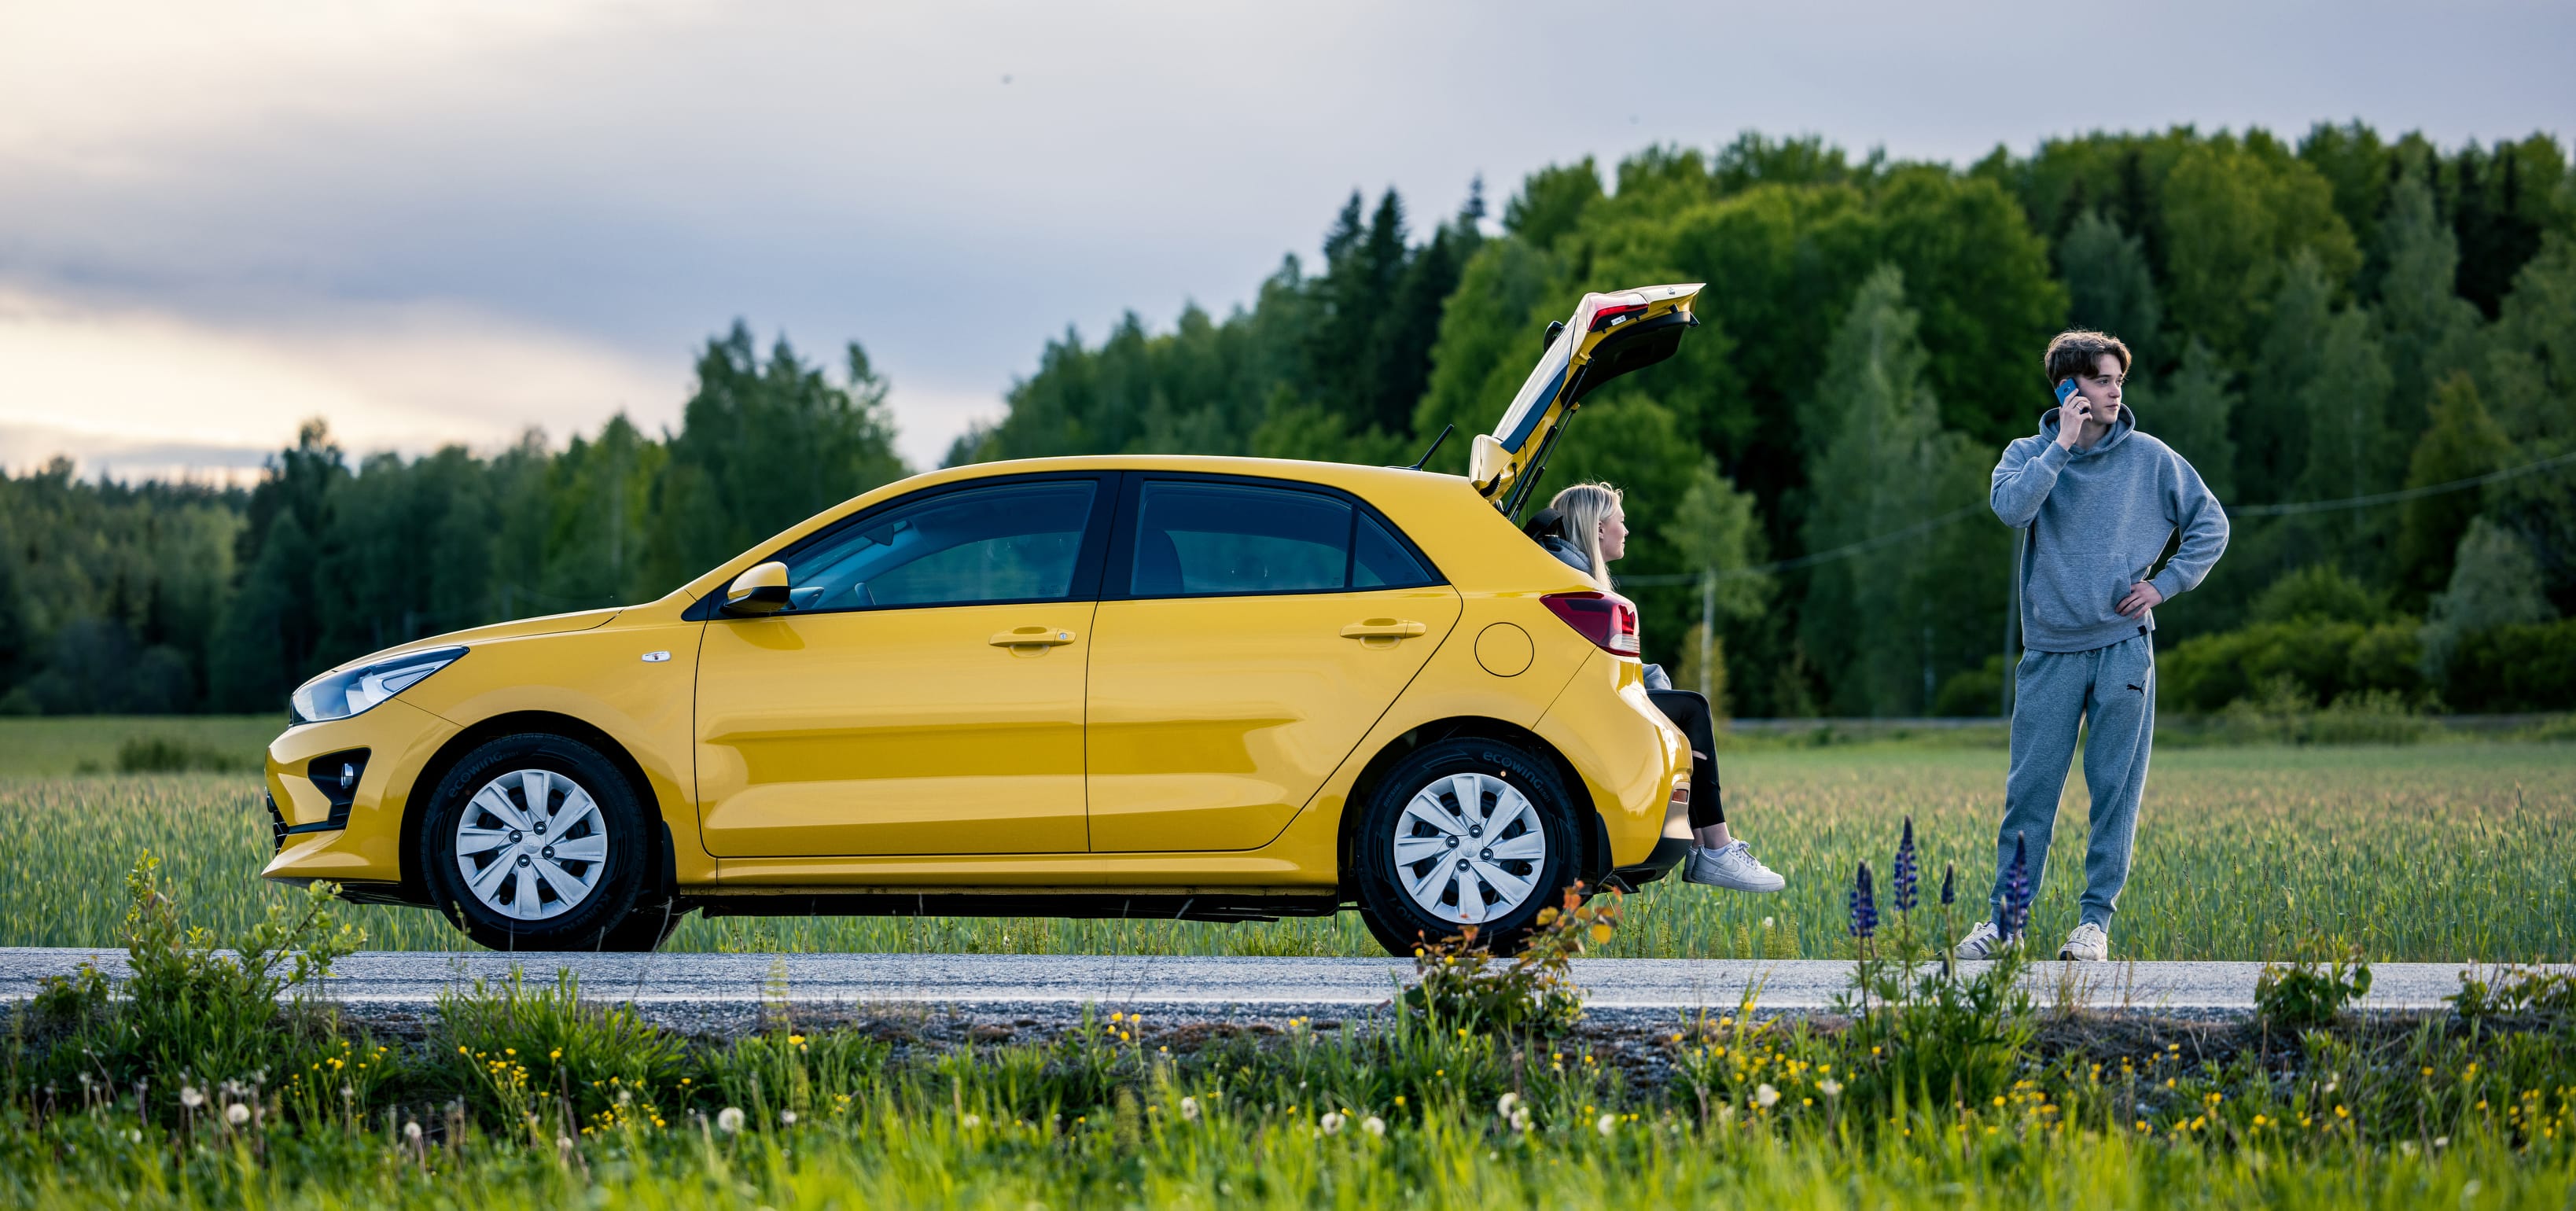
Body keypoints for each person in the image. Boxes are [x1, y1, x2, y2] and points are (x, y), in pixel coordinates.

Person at [1956, 329, 2228, 963]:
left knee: (2115, 790)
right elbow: (2011, 510)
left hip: (2123, 649)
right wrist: (2060, 447)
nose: (2115, 392)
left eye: (2118, 381)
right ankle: (2007, 924)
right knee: (2030, 793)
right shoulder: (2028, 453)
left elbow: (2211, 524)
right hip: (2050, 650)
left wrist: (2165, 585)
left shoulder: (2153, 458)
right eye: (2103, 380)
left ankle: (2093, 926)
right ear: (2068, 387)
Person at [1533, 482, 1786, 893]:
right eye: (1621, 520)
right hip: (1581, 708)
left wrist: (1651, 678)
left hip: (1573, 701)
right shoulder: (1576, 580)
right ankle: (1715, 848)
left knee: (1683, 707)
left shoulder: (1567, 571)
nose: (1625, 530)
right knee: (1692, 708)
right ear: (1599, 528)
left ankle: (1707, 847)